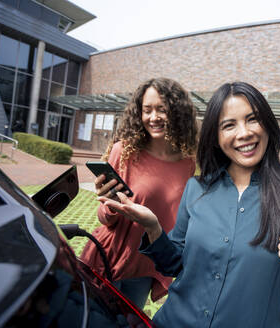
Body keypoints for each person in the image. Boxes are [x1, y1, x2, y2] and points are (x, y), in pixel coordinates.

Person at [98, 82, 280, 327]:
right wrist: (153, 227)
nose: (244, 133)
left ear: (268, 125)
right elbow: (175, 264)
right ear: (216, 137)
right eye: (229, 125)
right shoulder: (196, 189)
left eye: (252, 119)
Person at [80, 77, 198, 309]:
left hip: (146, 266)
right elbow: (104, 218)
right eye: (147, 110)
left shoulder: (188, 165)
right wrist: (110, 205)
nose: (153, 117)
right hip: (108, 257)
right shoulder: (123, 151)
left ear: (177, 112)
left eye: (161, 109)